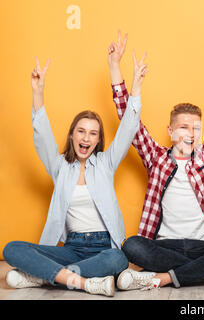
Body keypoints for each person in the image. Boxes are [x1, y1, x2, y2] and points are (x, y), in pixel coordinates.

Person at [106, 31, 204, 290]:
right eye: (184, 127)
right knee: (132, 245)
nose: (191, 133)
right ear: (171, 131)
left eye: (196, 128)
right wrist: (115, 68)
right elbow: (128, 122)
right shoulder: (155, 158)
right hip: (166, 244)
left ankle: (164, 277)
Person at [2, 52, 147, 297]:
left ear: (99, 140)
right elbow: (42, 136)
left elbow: (128, 129)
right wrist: (38, 92)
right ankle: (82, 281)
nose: (86, 138)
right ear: (72, 135)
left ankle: (44, 278)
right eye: (81, 131)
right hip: (72, 248)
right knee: (12, 249)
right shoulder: (59, 167)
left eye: (93, 133)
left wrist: (135, 88)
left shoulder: (105, 164)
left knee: (118, 260)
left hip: (104, 247)